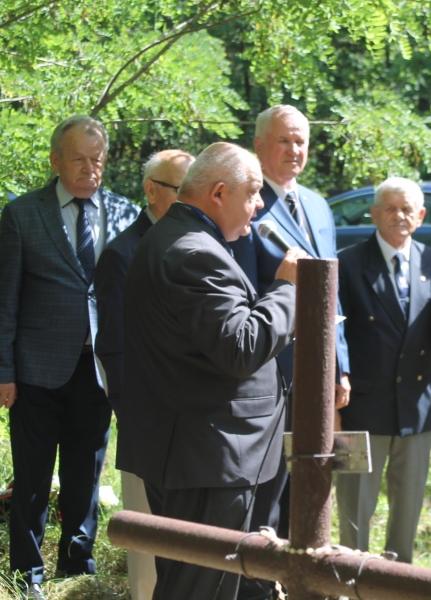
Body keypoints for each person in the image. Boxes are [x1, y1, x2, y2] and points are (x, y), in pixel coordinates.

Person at [118, 142, 301, 600]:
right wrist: (287, 289)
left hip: (206, 453)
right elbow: (241, 347)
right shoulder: (192, 250)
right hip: (209, 459)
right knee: (201, 591)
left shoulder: (181, 238)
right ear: (218, 193)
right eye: (253, 192)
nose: (259, 205)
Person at [0, 115, 139, 599]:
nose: (90, 169)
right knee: (32, 477)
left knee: (85, 475)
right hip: (37, 369)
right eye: (78, 159)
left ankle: (76, 565)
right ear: (55, 160)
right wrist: (1, 371)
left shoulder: (125, 212)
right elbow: (4, 299)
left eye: (97, 160)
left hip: (98, 370)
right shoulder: (23, 214)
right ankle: (26, 573)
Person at [231, 107, 350, 582]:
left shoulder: (318, 205)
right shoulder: (248, 204)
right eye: (283, 140)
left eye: (300, 141)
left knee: (311, 482)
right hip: (270, 370)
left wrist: (340, 365)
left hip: (317, 370)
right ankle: (263, 582)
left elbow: (332, 291)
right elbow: (243, 291)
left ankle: (303, 577)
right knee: (269, 489)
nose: (294, 150)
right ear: (259, 145)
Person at [336, 177, 431, 563]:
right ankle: (349, 581)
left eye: (407, 209)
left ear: (420, 216)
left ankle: (398, 582)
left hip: (416, 408)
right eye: (390, 208)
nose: (399, 216)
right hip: (358, 410)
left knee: (407, 513)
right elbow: (333, 336)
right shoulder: (347, 263)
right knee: (353, 513)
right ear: (374, 214)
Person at [93, 148, 193, 600]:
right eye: (181, 189)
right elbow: (113, 346)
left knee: (190, 543)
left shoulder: (201, 244)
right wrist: (132, 415)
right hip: (146, 418)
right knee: (149, 543)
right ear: (152, 191)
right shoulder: (122, 254)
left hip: (193, 420)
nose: (191, 198)